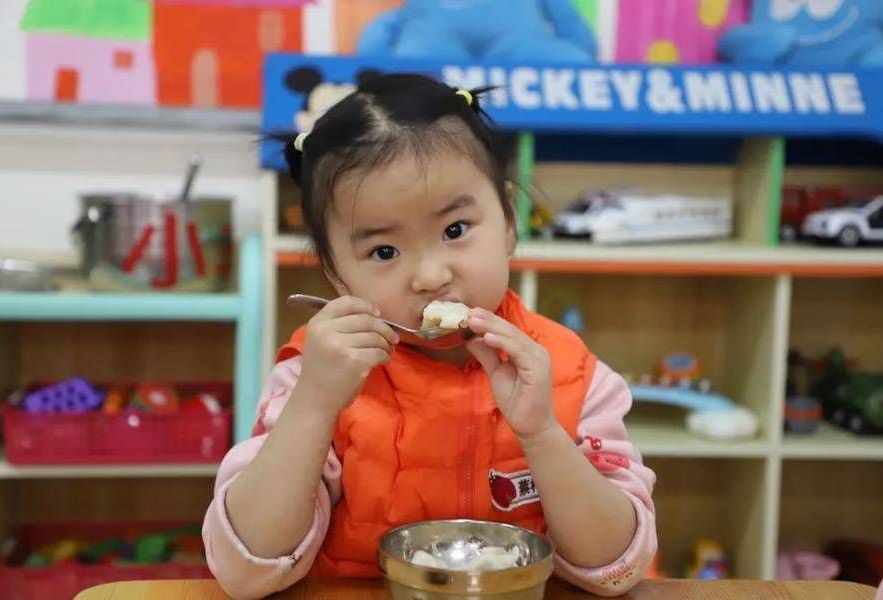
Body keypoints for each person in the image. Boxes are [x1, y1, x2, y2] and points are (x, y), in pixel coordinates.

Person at [203, 73, 657, 599]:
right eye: (384, 252)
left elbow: (616, 570)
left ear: (508, 219)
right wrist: (313, 405)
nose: (430, 276)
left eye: (455, 230)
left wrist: (541, 435)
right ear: (336, 274)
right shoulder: (316, 374)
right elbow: (245, 573)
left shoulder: (570, 372)